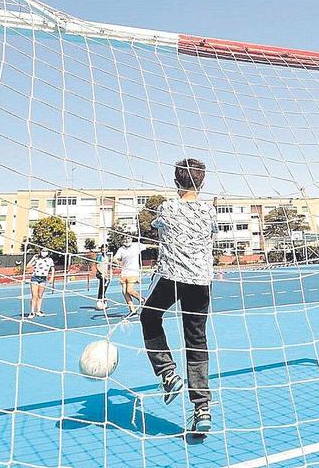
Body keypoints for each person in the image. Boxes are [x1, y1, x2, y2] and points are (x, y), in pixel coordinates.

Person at [140, 158, 218, 433]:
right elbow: (211, 234)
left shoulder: (166, 207)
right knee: (196, 339)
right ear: (203, 181)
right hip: (200, 281)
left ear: (175, 183)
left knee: (149, 317)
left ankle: (167, 373)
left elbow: (156, 227)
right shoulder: (210, 211)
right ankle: (202, 408)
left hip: (172, 277)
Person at [114, 237, 143, 315]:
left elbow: (147, 246)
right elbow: (115, 258)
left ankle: (142, 300)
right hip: (124, 272)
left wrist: (159, 245)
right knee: (124, 292)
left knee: (129, 290)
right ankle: (132, 310)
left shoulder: (136, 246)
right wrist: (117, 262)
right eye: (125, 239)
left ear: (131, 239)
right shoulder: (121, 249)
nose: (127, 240)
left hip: (133, 272)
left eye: (128, 238)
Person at [25, 248, 54, 318]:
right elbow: (27, 267)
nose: (44, 252)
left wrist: (52, 277)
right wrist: (33, 259)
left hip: (43, 278)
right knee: (34, 295)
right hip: (35, 278)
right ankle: (32, 312)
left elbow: (52, 269)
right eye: (43, 251)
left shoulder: (50, 260)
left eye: (46, 251)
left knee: (40, 295)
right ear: (40, 252)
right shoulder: (37, 259)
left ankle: (38, 311)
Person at [95, 244, 112, 309]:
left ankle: (103, 296)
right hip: (100, 274)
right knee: (103, 283)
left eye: (105, 248)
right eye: (103, 249)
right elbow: (97, 266)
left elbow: (108, 266)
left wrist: (108, 273)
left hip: (105, 274)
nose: (104, 250)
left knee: (106, 283)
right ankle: (100, 298)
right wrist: (102, 273)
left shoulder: (107, 257)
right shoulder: (99, 256)